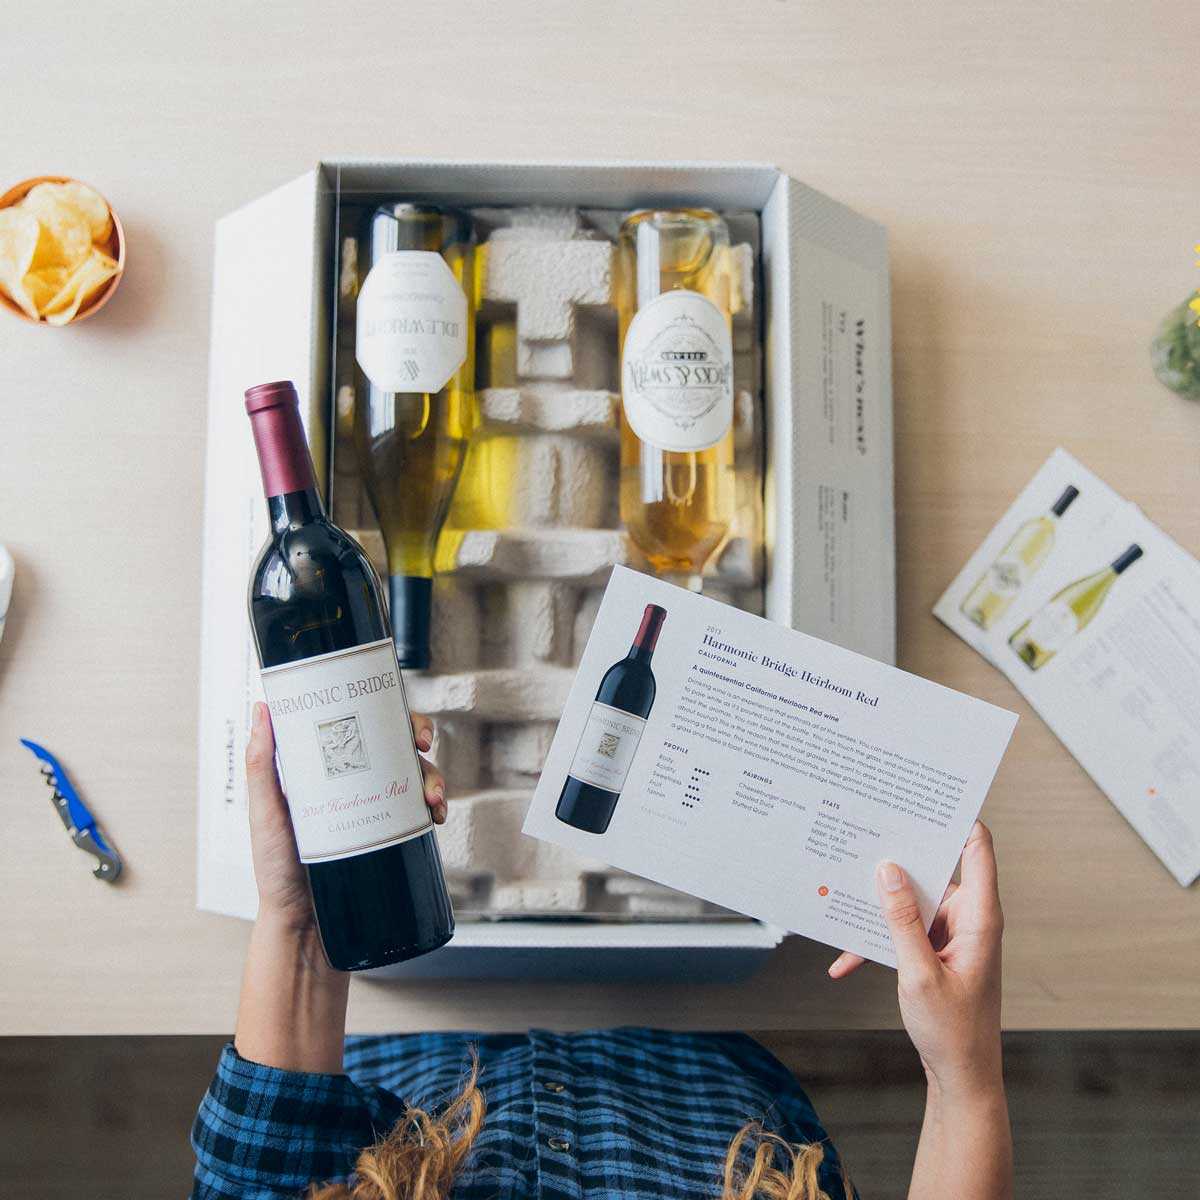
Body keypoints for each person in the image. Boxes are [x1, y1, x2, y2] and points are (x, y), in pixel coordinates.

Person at [190, 704, 1014, 1200]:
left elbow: (265, 1167)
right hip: (710, 1035)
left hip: (421, 1021)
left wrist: (303, 912)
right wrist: (963, 1070)